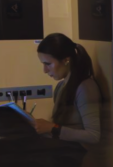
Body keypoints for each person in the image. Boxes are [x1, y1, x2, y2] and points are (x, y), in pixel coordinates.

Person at [34, 33, 102, 163]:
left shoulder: (85, 88)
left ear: (66, 60)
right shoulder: (61, 86)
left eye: (48, 64)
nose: (45, 70)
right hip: (62, 148)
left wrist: (52, 128)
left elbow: (93, 135)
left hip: (74, 154)